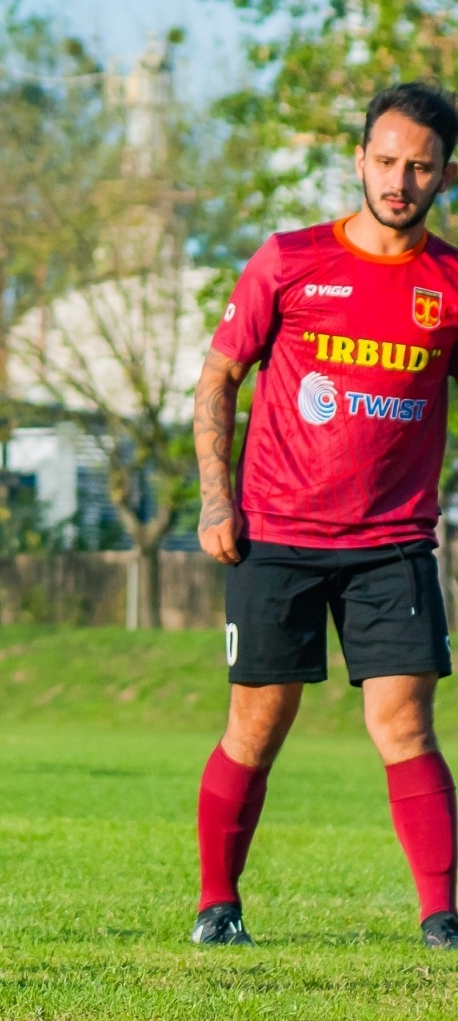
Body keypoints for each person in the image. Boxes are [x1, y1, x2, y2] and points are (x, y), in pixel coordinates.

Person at [193, 81, 458, 950]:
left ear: (445, 177)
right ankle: (217, 906)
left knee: (405, 723)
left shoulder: (451, 285)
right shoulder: (290, 259)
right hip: (276, 538)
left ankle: (441, 917)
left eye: (421, 166)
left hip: (394, 547)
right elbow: (220, 376)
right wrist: (215, 497)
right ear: (358, 160)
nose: (400, 179)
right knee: (257, 726)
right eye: (386, 160)